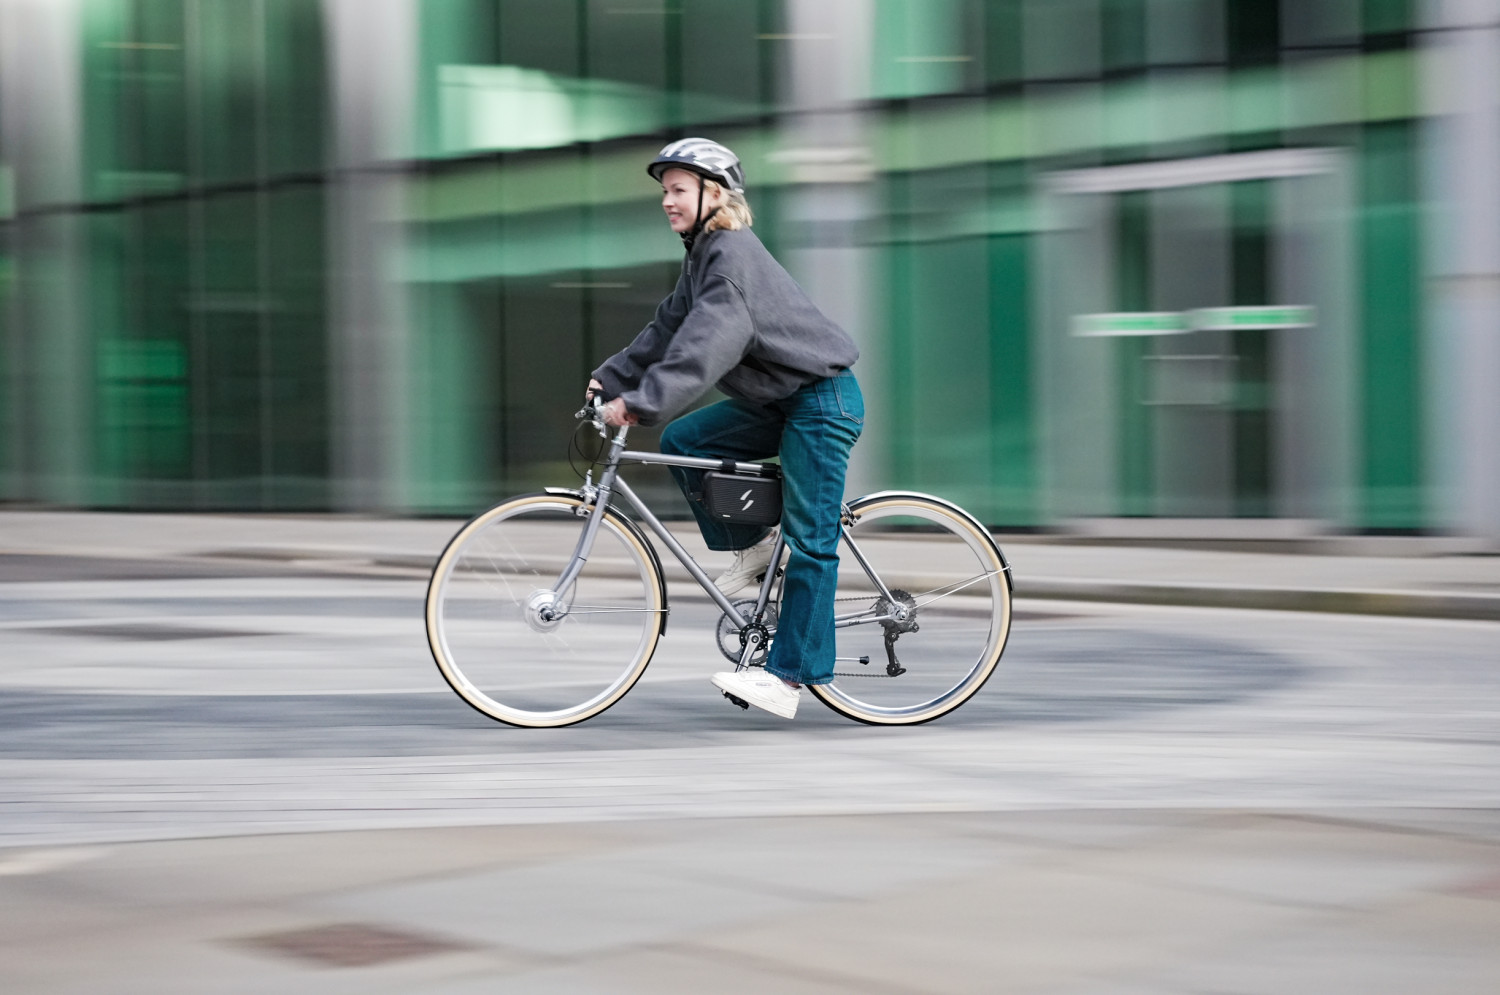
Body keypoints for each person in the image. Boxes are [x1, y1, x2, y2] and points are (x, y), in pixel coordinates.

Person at [586, 137, 863, 720]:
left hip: (821, 402)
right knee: (686, 442)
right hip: (780, 402)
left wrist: (642, 403)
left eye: (678, 190)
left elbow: (706, 345)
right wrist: (610, 379)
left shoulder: (731, 257)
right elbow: (669, 327)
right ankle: (756, 546)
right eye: (665, 191)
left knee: (812, 541)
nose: (667, 200)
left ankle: (788, 677)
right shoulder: (705, 255)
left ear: (714, 194)